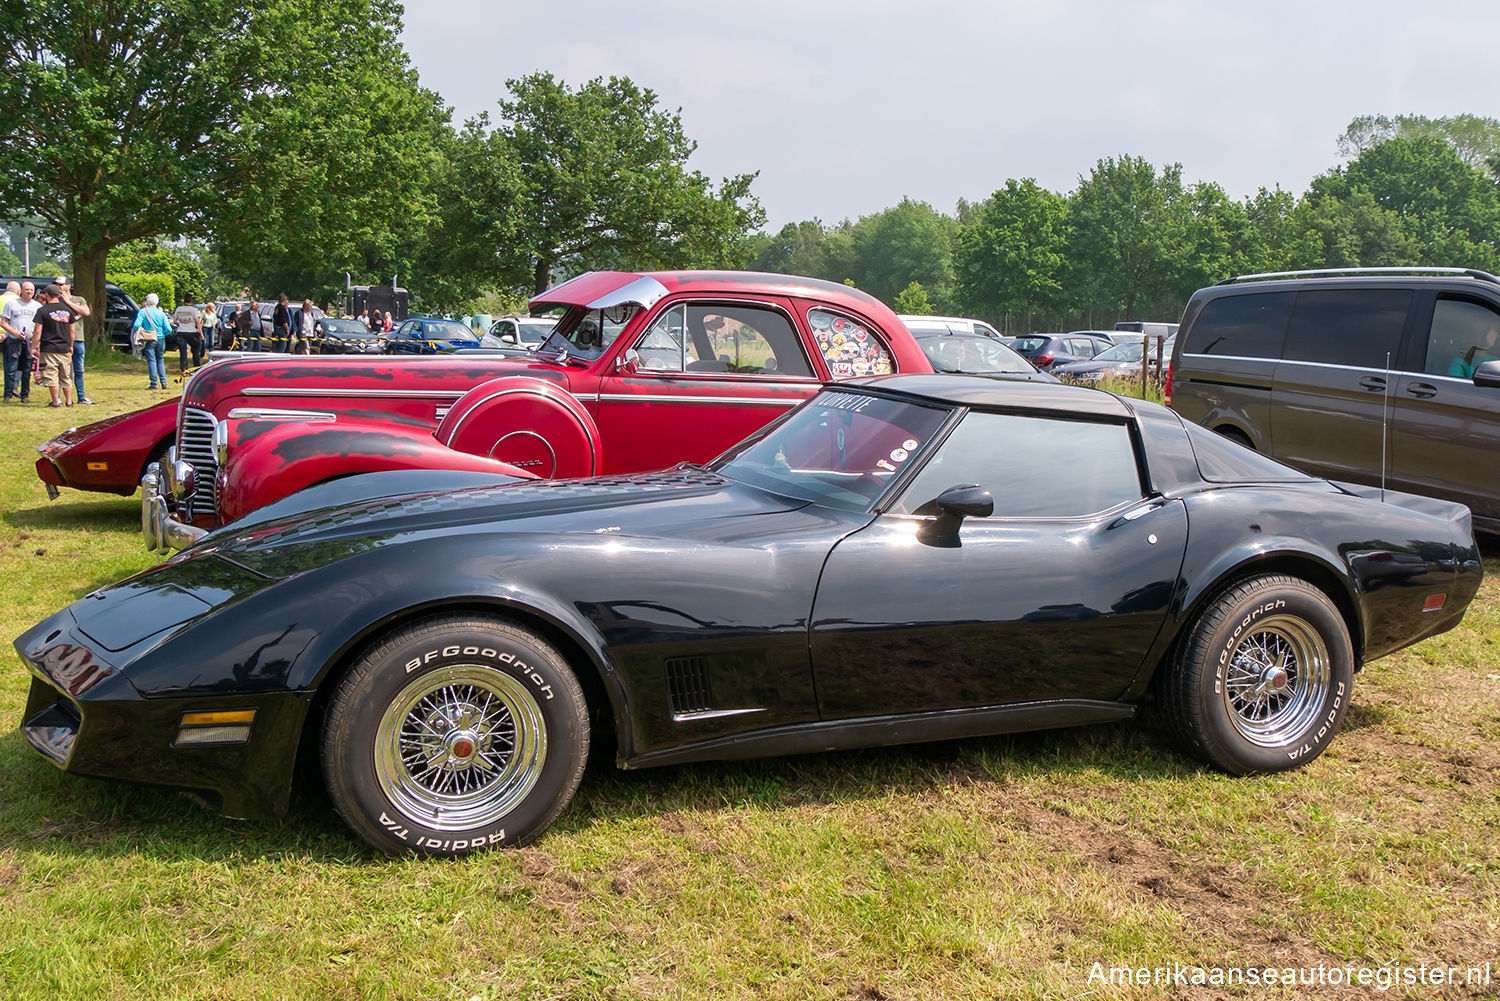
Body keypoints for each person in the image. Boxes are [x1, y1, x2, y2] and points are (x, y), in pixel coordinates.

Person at [31, 285, 78, 407]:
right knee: (65, 375)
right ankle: (69, 401)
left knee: (51, 375)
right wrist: (71, 345)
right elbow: (72, 331)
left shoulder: (43, 310)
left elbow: (37, 332)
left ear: (47, 295)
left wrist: (33, 347)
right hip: (64, 347)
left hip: (49, 348)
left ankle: (56, 402)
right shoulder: (68, 310)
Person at [53, 277, 94, 404]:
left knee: (79, 370)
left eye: (61, 284)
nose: (59, 287)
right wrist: (75, 315)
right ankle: (58, 398)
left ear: (68, 286)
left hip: (78, 339)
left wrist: (69, 302)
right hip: (62, 340)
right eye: (57, 285)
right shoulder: (56, 301)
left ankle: (81, 397)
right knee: (62, 371)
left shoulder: (79, 299)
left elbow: (86, 312)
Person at [1, 279, 39, 401]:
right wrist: (16, 333)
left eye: (31, 290)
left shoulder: (37, 306)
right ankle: (8, 394)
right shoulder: (11, 304)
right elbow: (3, 323)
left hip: (29, 341)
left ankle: (25, 395)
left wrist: (36, 341)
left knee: (27, 369)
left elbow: (39, 326)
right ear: (21, 290)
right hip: (13, 340)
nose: (29, 292)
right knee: (11, 368)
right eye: (27, 289)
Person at [133, 292, 171, 389]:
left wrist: (142, 330)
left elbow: (136, 325)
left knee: (151, 361)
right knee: (160, 359)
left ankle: (153, 383)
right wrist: (162, 334)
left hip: (149, 338)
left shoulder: (143, 312)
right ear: (157, 302)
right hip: (161, 338)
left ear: (147, 301)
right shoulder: (161, 313)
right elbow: (169, 329)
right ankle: (164, 382)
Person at [171, 293, 204, 371]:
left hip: (181, 332)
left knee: (183, 352)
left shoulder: (179, 309)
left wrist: (180, 324)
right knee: (196, 349)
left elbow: (174, 321)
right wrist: (201, 334)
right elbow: (197, 322)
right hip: (191, 332)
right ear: (191, 300)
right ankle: (196, 366)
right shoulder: (193, 310)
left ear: (184, 300)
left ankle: (183, 368)